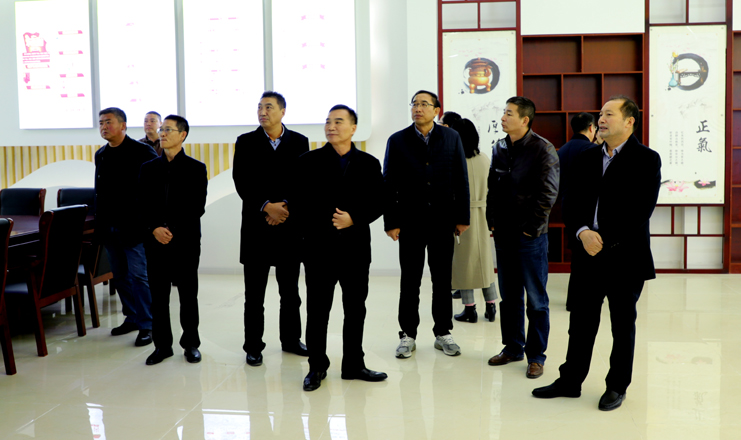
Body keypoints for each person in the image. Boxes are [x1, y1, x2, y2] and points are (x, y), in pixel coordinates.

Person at [533, 96, 661, 411]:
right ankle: (570, 381)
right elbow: (570, 199)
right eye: (600, 114)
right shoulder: (587, 156)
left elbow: (640, 210)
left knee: (622, 325)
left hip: (624, 256)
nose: (601, 119)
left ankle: (617, 385)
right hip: (587, 254)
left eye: (609, 114)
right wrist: (582, 232)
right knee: (580, 323)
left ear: (629, 121)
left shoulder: (646, 159)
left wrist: (601, 238)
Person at [294, 105, 387, 391]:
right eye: (328, 122)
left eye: (338, 121)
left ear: (353, 128)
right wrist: (323, 225)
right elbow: (298, 204)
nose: (331, 126)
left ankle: (353, 365)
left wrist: (354, 218)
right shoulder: (308, 161)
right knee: (317, 311)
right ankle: (316, 367)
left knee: (355, 309)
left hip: (355, 249)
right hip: (318, 248)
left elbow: (379, 201)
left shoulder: (369, 163)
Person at [383, 90, 470, 358]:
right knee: (410, 280)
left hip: (443, 221)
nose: (418, 108)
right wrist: (391, 221)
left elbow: (461, 178)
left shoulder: (451, 137)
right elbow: (389, 183)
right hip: (410, 221)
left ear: (436, 110)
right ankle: (407, 334)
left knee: (442, 280)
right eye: (414, 104)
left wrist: (462, 217)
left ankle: (443, 332)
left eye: (424, 104)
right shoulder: (397, 140)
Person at [233, 91, 309, 367]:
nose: (262, 112)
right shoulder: (246, 141)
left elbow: (303, 181)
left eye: (268, 107)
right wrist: (267, 206)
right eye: (259, 107)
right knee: (254, 295)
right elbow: (241, 181)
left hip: (289, 227)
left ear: (282, 111)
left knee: (290, 292)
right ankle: (253, 345)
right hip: (257, 227)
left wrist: (284, 207)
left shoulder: (299, 141)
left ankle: (291, 340)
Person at [486, 96, 559, 379]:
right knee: (509, 296)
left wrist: (532, 228)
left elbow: (548, 193)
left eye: (509, 113)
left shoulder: (543, 149)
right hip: (503, 234)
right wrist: (492, 221)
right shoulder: (500, 147)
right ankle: (513, 347)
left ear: (525, 120)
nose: (503, 118)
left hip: (530, 236)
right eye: (503, 113)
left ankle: (536, 356)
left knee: (536, 299)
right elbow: (493, 187)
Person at [139, 115, 208, 366]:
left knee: (188, 295)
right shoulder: (148, 168)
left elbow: (196, 207)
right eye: (162, 129)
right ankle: (162, 346)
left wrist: (170, 230)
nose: (163, 133)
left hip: (185, 241)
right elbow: (141, 204)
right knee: (159, 296)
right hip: (155, 241)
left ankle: (191, 344)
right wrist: (155, 228)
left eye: (168, 129)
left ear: (183, 135)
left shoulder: (196, 168)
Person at [95, 107, 158, 346]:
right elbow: (100, 192)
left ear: (123, 125)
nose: (104, 127)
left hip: (134, 227)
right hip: (109, 227)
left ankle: (147, 324)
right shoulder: (101, 154)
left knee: (139, 276)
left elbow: (153, 190)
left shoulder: (142, 151)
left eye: (108, 122)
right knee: (119, 276)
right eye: (101, 123)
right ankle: (131, 317)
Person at [448, 118, 498, 323]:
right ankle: (491, 306)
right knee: (484, 262)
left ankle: (470, 309)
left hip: (463, 215)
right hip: (482, 214)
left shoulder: (455, 161)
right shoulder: (484, 158)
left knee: (464, 263)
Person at [558, 112, 597, 311]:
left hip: (566, 206)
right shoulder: (592, 150)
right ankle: (586, 300)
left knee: (577, 257)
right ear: (591, 127)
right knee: (588, 256)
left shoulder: (562, 150)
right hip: (586, 209)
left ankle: (572, 300)